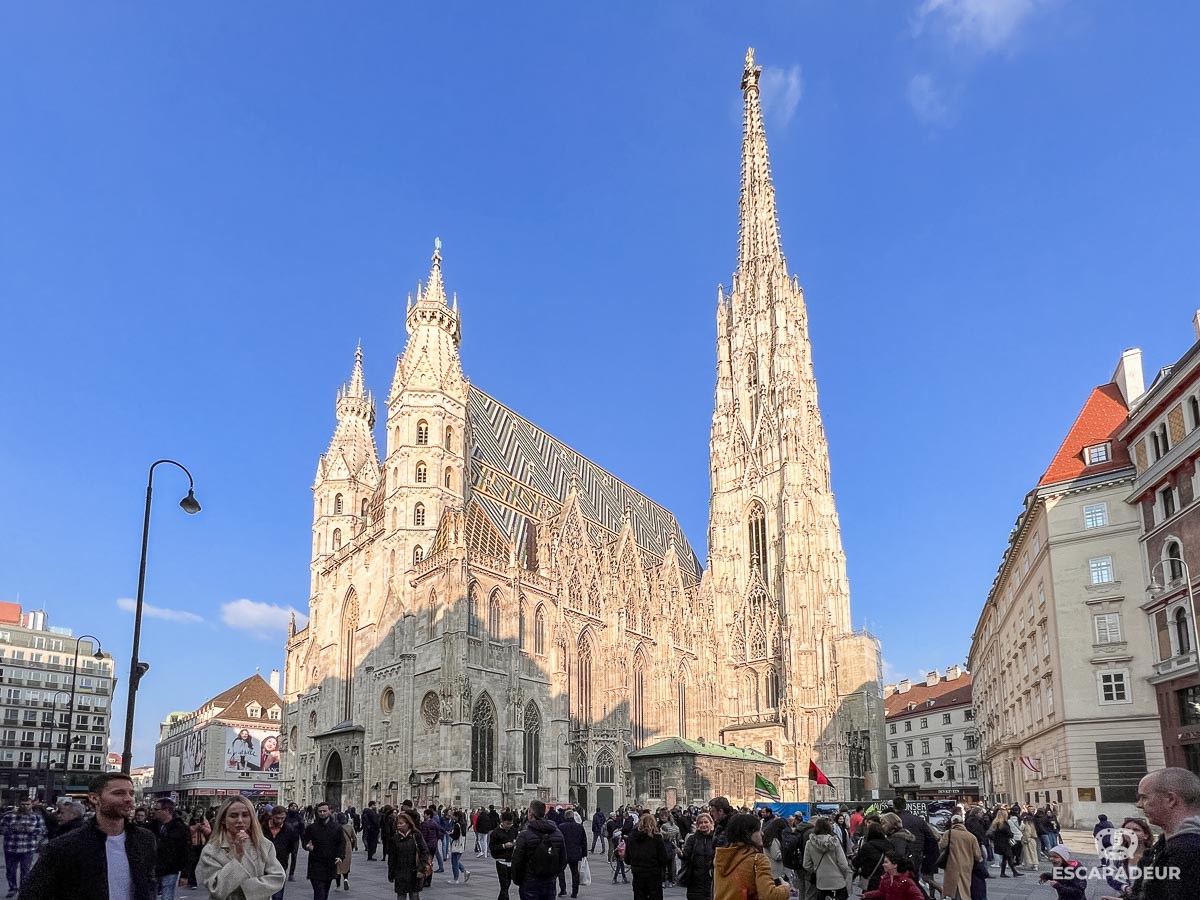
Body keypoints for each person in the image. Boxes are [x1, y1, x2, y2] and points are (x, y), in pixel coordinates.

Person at [18, 772, 157, 900]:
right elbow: (32, 894)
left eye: (131, 793)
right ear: (94, 798)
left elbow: (148, 883)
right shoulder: (64, 846)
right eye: (119, 793)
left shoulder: (145, 839)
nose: (128, 799)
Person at [194, 796, 286, 900]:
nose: (240, 820)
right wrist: (237, 857)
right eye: (233, 816)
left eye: (245, 815)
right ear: (223, 819)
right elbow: (216, 889)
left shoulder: (264, 845)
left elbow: (278, 877)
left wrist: (247, 888)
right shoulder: (212, 850)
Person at [1136, 766, 1200, 900]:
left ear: (1171, 799)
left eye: (1144, 797)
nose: (1139, 804)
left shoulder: (1191, 851)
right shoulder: (1164, 844)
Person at [712, 813, 790, 900]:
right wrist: (785, 888)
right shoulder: (757, 859)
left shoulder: (721, 857)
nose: (762, 833)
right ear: (748, 834)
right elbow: (769, 896)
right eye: (758, 830)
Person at [511, 800, 566, 900]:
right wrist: (553, 875)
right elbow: (563, 861)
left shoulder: (524, 835)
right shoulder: (558, 833)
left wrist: (520, 881)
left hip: (530, 883)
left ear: (530, 813)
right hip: (550, 883)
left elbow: (517, 862)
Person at [2, 798, 46, 897]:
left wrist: (32, 830)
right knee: (11, 870)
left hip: (28, 848)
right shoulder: (9, 816)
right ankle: (13, 888)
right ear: (19, 804)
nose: (25, 806)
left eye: (27, 804)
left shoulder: (36, 817)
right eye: (23, 804)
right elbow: (2, 828)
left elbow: (43, 830)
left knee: (25, 870)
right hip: (11, 847)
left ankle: (23, 889)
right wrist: (11, 829)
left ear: (31, 805)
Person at [802, 818, 853, 900]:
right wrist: (844, 875)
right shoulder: (835, 842)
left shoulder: (809, 843)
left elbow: (806, 864)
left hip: (821, 882)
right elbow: (843, 864)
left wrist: (816, 870)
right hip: (838, 881)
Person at [302, 802, 344, 900]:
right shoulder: (312, 828)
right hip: (315, 864)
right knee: (319, 892)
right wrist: (307, 846)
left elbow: (341, 843)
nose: (322, 813)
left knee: (325, 891)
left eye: (324, 811)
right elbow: (305, 840)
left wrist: (340, 856)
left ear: (330, 811)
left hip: (329, 863)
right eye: (320, 811)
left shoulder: (337, 827)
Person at [625, 813, 671, 900]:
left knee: (639, 896)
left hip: (638, 874)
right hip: (653, 874)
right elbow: (663, 858)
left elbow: (627, 859)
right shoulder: (656, 838)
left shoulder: (631, 838)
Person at [153, 798, 191, 900]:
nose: (154, 812)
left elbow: (186, 852)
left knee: (167, 896)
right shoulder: (153, 825)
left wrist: (185, 874)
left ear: (166, 810)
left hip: (170, 869)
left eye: (157, 809)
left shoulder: (180, 828)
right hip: (153, 867)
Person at [386, 811, 430, 900]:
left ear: (408, 824)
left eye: (401, 823)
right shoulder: (395, 838)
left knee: (414, 896)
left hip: (414, 872)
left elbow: (424, 852)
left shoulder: (416, 836)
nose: (398, 825)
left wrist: (421, 868)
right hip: (400, 874)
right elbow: (392, 858)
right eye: (397, 823)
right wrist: (391, 873)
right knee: (401, 896)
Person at [937, 815, 981, 900]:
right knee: (965, 885)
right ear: (963, 823)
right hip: (967, 865)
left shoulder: (948, 833)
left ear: (952, 823)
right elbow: (977, 856)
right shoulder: (971, 836)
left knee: (952, 886)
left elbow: (942, 845)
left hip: (952, 864)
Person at [679, 811, 716, 900]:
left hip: (711, 878)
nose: (703, 825)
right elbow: (687, 855)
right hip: (695, 879)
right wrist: (681, 854)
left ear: (711, 823)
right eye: (700, 823)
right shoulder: (693, 839)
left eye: (706, 822)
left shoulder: (716, 838)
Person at [266, 806, 300, 900]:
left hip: (280, 864)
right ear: (272, 816)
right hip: (262, 864)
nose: (280, 821)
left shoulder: (289, 830)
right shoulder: (262, 828)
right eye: (277, 818)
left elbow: (291, 847)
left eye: (283, 818)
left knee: (278, 895)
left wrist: (282, 852)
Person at [861, 851, 925, 900]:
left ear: (895, 865)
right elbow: (882, 892)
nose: (883, 864)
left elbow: (919, 897)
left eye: (886, 862)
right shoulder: (886, 878)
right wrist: (867, 895)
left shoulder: (906, 881)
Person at [852, 823, 892, 894]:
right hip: (886, 878)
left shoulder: (867, 847)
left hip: (870, 879)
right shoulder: (889, 845)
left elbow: (856, 863)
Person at [490, 810, 519, 900]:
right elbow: (492, 847)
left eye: (511, 823)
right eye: (507, 824)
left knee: (507, 884)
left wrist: (515, 844)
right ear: (502, 822)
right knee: (504, 884)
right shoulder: (495, 833)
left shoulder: (514, 831)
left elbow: (516, 840)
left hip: (511, 860)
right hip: (501, 860)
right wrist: (503, 846)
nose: (509, 826)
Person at [557, 811, 587, 898]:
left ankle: (563, 889)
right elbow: (584, 841)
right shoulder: (579, 827)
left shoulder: (561, 827)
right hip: (575, 853)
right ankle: (575, 892)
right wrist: (584, 854)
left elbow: (558, 841)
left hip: (564, 853)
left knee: (560, 871)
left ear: (565, 817)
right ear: (573, 816)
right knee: (575, 873)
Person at [987, 808, 1021, 877]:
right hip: (1005, 843)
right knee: (1009, 857)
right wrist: (1011, 834)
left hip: (999, 843)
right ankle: (1013, 872)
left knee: (1006, 858)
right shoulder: (1003, 824)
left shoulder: (996, 823)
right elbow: (1009, 833)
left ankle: (1005, 873)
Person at [184, 808, 212, 889]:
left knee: (198, 863)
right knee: (192, 862)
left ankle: (192, 880)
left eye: (201, 811)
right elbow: (187, 830)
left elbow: (208, 831)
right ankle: (192, 882)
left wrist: (202, 827)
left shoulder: (204, 820)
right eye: (198, 811)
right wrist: (196, 827)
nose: (199, 813)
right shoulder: (190, 819)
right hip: (192, 844)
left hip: (201, 844)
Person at [445, 812, 471, 884]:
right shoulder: (463, 824)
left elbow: (455, 836)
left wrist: (450, 834)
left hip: (456, 845)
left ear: (457, 817)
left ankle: (455, 879)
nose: (452, 816)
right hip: (461, 845)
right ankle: (465, 871)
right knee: (456, 861)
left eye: (453, 815)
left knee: (454, 862)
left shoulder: (457, 825)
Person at [334, 812, 357, 891]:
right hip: (347, 847)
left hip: (337, 847)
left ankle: (338, 885)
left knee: (338, 866)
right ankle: (346, 879)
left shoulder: (336, 827)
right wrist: (353, 846)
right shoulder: (349, 827)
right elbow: (354, 838)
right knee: (346, 864)